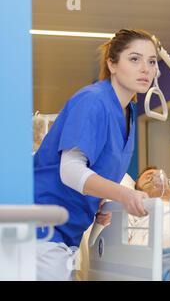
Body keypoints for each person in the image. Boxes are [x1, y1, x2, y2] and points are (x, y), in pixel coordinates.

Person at [34, 29, 161, 280]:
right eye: (134, 59)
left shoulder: (128, 113)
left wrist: (98, 200)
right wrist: (123, 194)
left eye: (152, 61)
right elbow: (70, 170)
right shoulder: (93, 101)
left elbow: (94, 173)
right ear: (112, 64)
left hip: (63, 233)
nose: (145, 68)